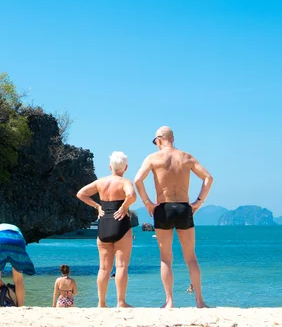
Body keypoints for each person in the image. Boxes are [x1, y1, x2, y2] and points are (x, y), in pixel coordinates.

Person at [133, 126, 213, 308]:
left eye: (155, 141)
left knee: (165, 258)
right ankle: (200, 301)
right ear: (173, 138)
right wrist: (198, 202)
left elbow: (137, 180)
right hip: (185, 208)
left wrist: (147, 202)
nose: (155, 145)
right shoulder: (186, 157)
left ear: (160, 139)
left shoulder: (153, 158)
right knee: (191, 257)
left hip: (163, 208)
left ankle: (169, 301)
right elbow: (208, 178)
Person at [77, 151, 136, 308]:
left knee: (103, 268)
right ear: (126, 167)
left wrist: (97, 206)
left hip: (103, 223)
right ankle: (121, 302)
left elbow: (81, 194)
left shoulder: (101, 182)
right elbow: (132, 195)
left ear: (110, 166)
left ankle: (101, 303)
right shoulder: (125, 182)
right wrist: (124, 207)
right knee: (122, 266)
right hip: (121, 223)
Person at [0, 223, 35, 307]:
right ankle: (20, 306)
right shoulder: (17, 231)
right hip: (18, 240)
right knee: (18, 279)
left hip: (0, 239)